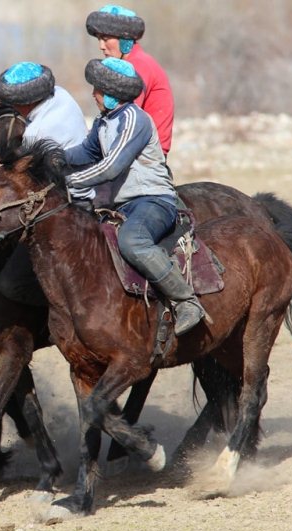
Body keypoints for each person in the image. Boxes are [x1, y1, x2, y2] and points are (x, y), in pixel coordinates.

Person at [64, 58, 203, 335]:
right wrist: (47, 158)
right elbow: (83, 154)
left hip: (154, 200)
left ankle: (186, 301)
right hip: (124, 205)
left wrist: (68, 179)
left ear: (113, 93)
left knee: (133, 241)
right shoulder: (104, 122)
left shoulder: (133, 119)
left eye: (98, 90)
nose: (93, 95)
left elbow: (111, 166)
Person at [0, 61, 87, 307]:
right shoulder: (63, 96)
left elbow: (16, 174)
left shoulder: (38, 133)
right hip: (86, 192)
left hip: (66, 204)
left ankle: (58, 312)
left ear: (24, 103)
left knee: (9, 283)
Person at [86, 4, 174, 157]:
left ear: (125, 40)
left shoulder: (138, 65)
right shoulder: (135, 62)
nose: (101, 46)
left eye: (106, 39)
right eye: (99, 39)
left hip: (146, 157)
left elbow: (123, 117)